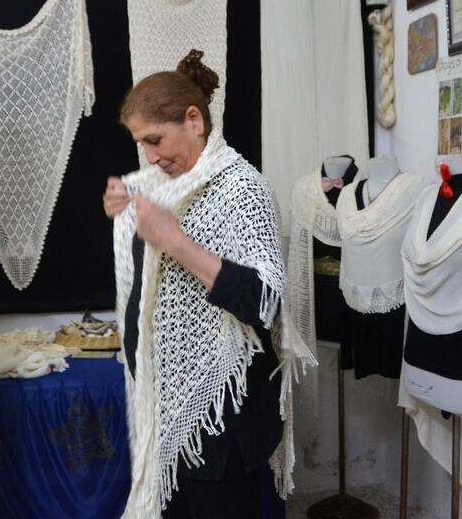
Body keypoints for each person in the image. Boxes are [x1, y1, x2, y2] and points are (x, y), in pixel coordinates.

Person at [103, 50, 311, 518]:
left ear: (194, 120)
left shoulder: (243, 189)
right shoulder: (160, 187)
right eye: (141, 145)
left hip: (221, 417)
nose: (150, 157)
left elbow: (265, 301)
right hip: (168, 407)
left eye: (156, 140)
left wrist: (174, 241)